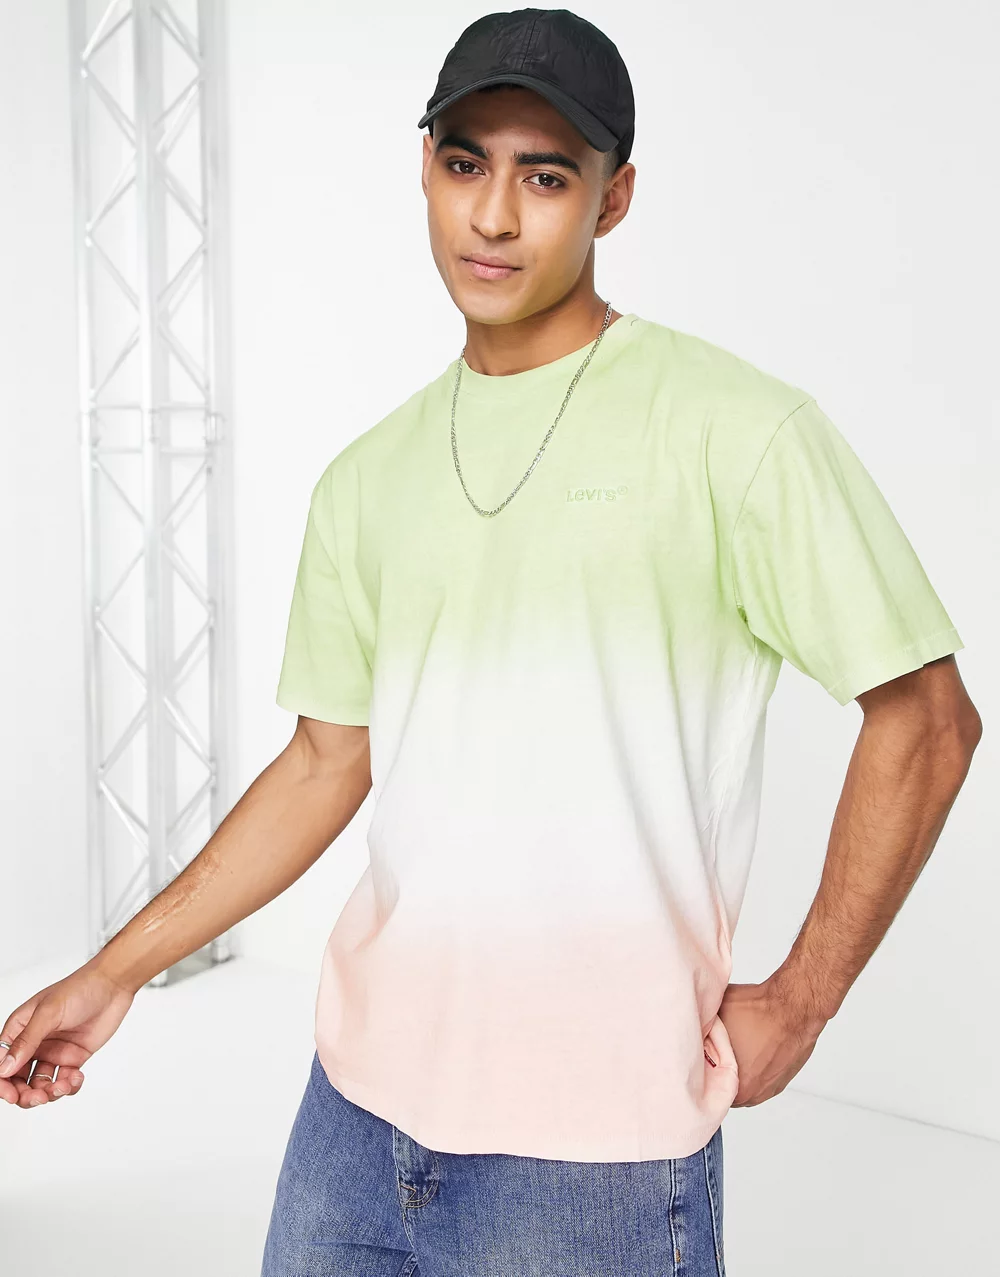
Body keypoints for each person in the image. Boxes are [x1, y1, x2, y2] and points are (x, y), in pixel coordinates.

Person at [0, 8, 982, 1274]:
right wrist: (117, 969)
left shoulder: (736, 430)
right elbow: (324, 761)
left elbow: (926, 717)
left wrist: (802, 999)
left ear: (614, 198)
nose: (495, 216)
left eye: (546, 176)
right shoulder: (369, 477)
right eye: (466, 163)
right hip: (352, 1121)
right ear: (425, 167)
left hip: (594, 1160)